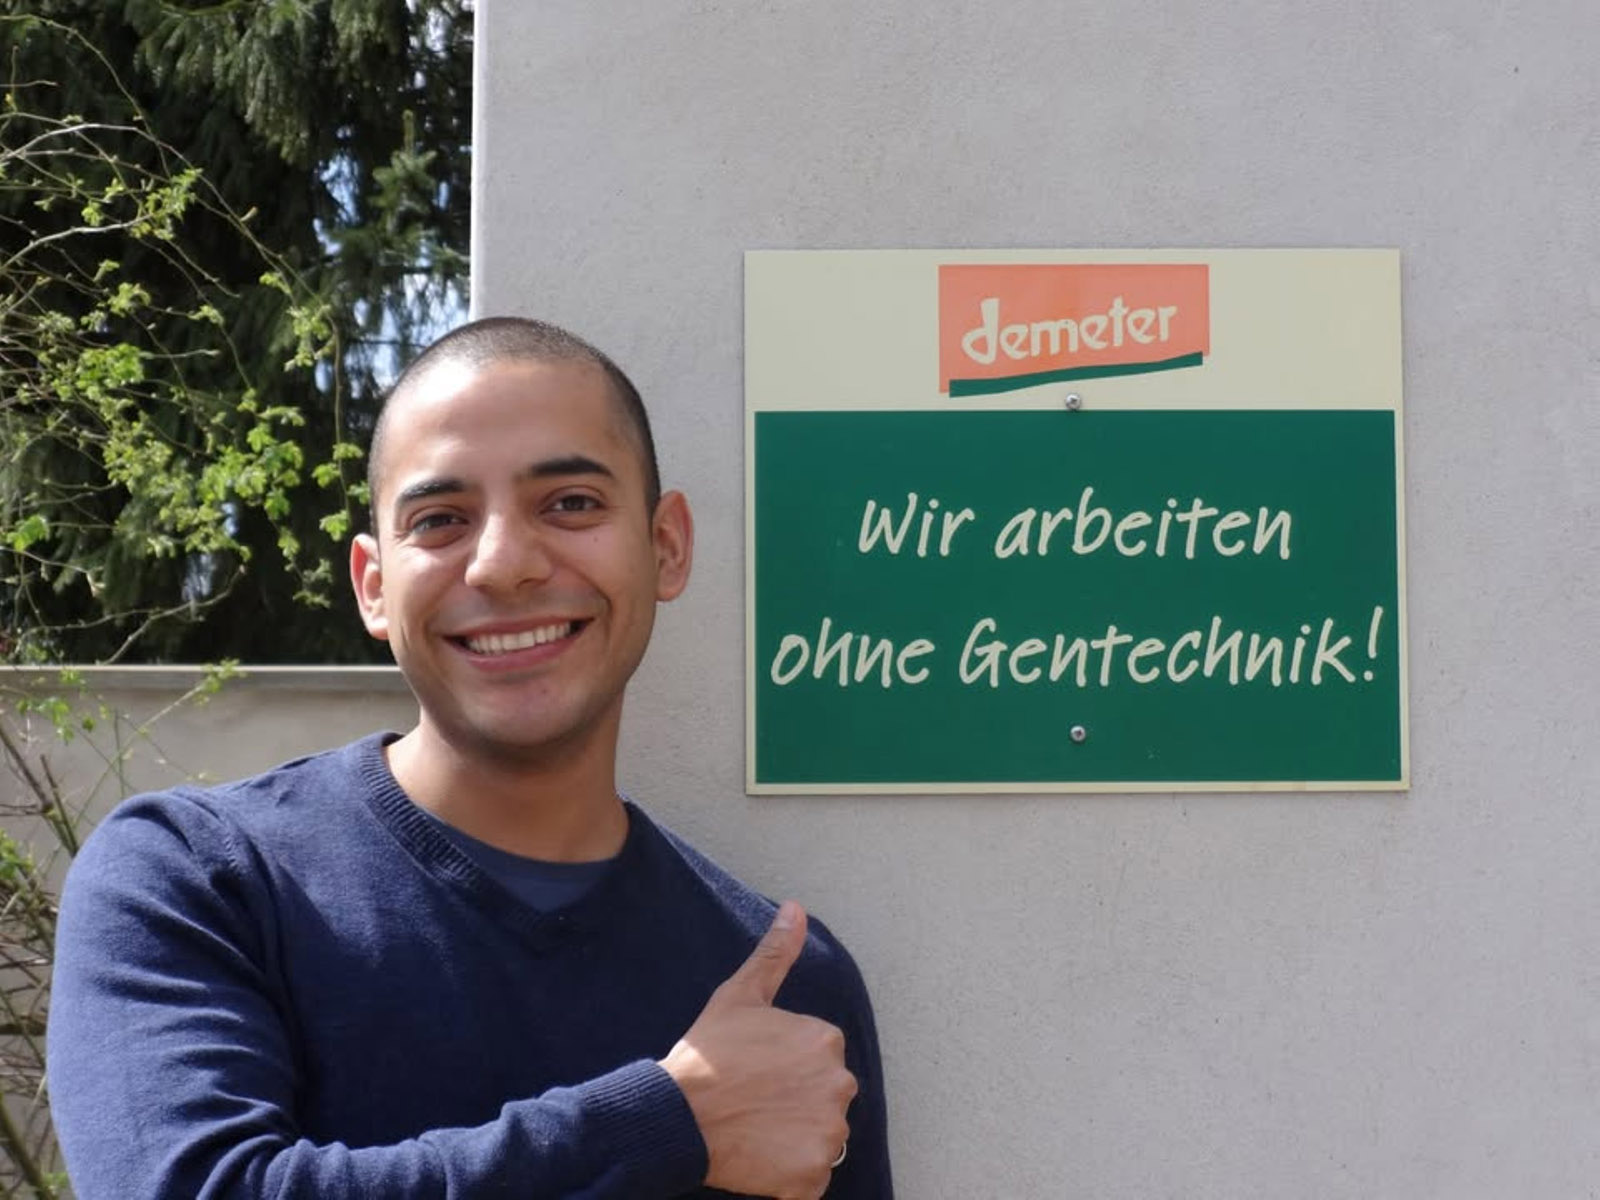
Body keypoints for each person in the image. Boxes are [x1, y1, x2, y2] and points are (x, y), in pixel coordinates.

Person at [47, 317, 892, 1198]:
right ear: (375, 585)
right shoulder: (200, 882)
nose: (502, 564)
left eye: (570, 503)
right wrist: (667, 1125)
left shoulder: (784, 997)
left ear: (666, 547)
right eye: (441, 520)